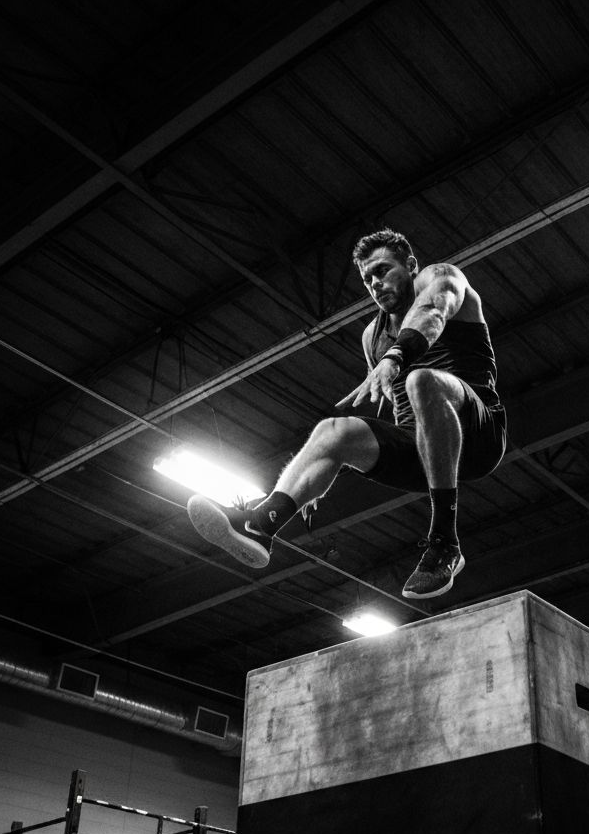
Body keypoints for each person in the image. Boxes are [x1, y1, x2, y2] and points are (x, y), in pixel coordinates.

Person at [186, 228, 506, 599]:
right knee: (333, 430)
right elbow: (392, 407)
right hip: (426, 453)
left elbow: (433, 312)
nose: (376, 283)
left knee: (422, 381)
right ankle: (261, 524)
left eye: (384, 270)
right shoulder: (373, 335)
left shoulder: (440, 278)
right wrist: (320, 468)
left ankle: (445, 543)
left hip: (479, 435)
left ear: (411, 266)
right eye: (368, 278)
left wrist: (396, 357)